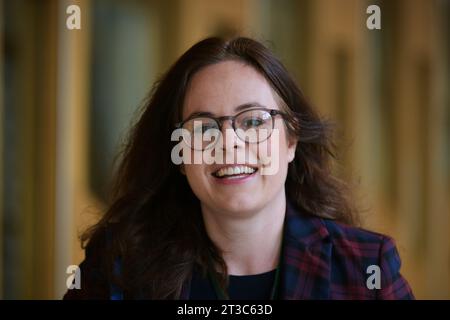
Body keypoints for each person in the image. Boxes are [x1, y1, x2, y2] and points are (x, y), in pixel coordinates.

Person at [64, 37, 414, 300]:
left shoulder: (367, 267)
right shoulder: (118, 265)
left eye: (253, 121)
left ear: (291, 140)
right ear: (180, 155)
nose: (230, 142)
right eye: (203, 127)